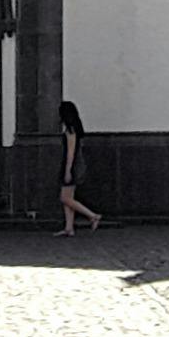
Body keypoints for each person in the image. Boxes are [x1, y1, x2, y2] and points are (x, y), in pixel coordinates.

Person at [54, 99, 102, 235]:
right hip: (75, 163)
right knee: (69, 196)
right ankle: (69, 227)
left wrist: (68, 170)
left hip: (71, 164)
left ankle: (92, 215)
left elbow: (70, 151)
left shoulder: (70, 130)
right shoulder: (75, 128)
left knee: (65, 198)